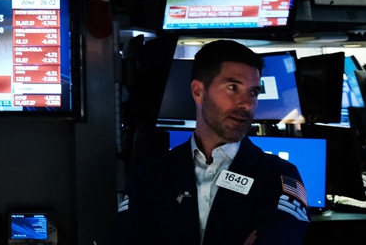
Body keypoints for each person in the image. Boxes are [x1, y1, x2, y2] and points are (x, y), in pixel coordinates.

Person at [115, 40, 310, 245]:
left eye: (253, 92)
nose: (246, 104)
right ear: (198, 91)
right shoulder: (150, 176)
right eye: (233, 87)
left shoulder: (279, 177)